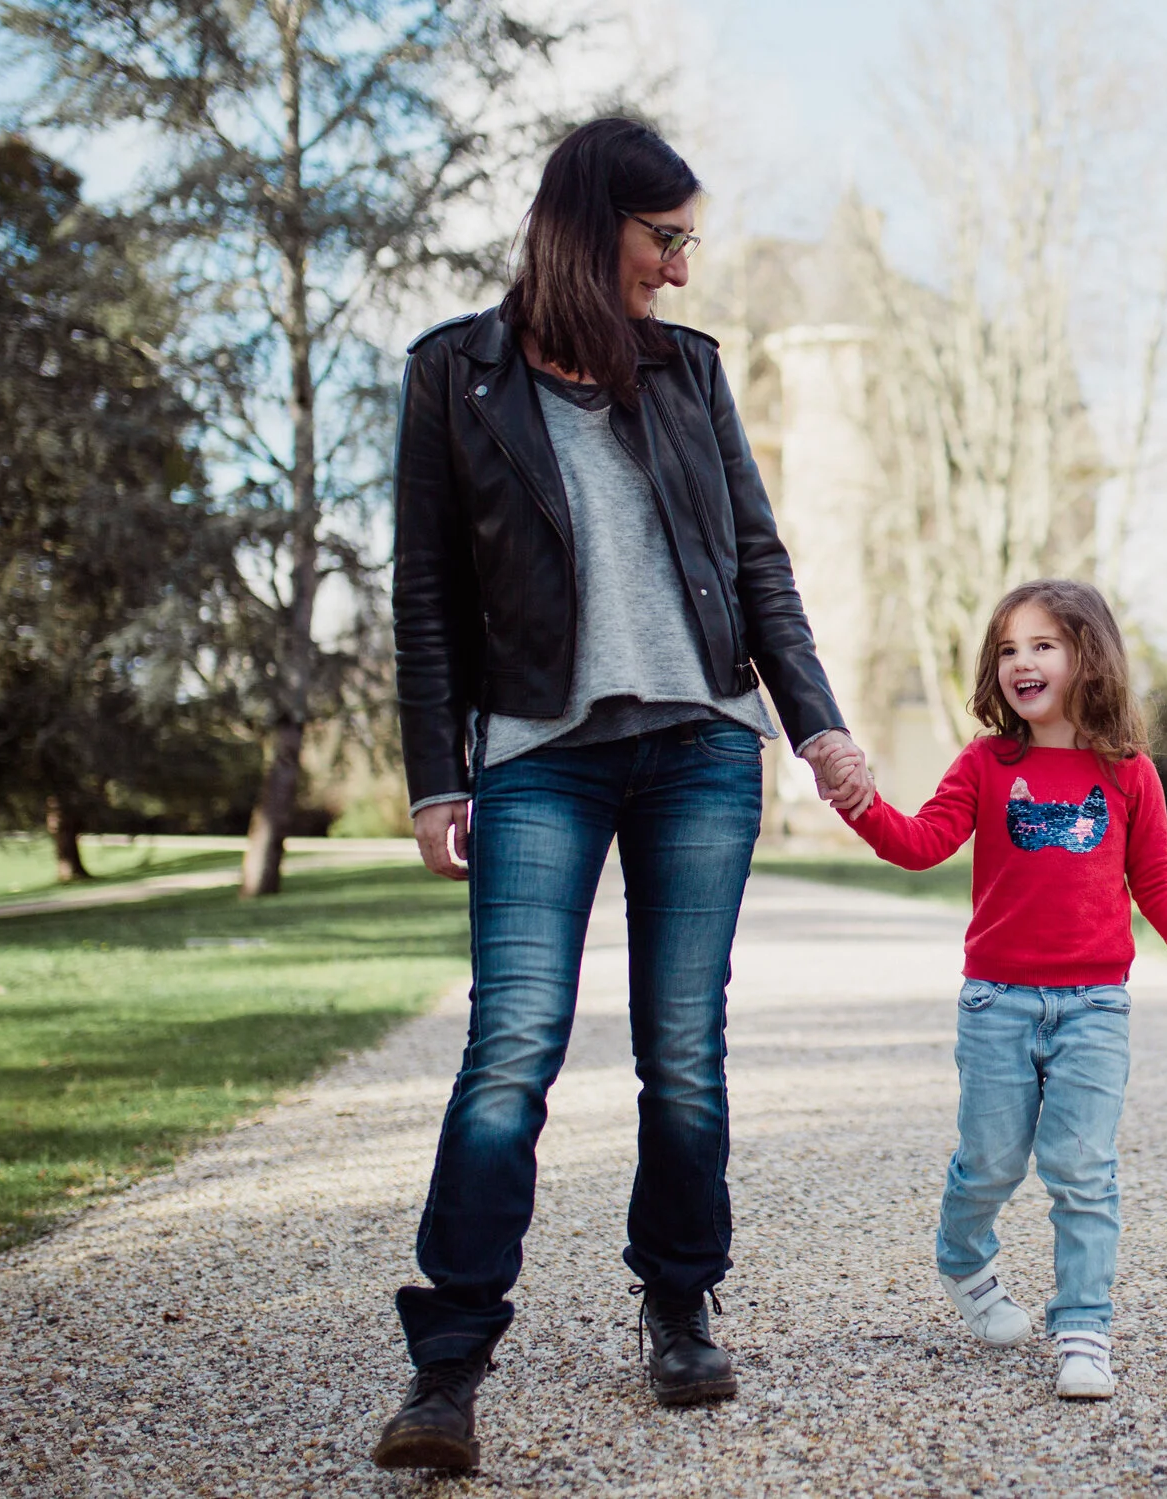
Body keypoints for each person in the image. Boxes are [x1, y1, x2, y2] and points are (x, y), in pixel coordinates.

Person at [373, 116, 873, 1471]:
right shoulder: (454, 376)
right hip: (539, 749)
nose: (684, 271)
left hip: (704, 743)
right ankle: (449, 1356)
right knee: (512, 1046)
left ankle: (678, 1298)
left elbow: (760, 564)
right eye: (668, 241)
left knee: (684, 1045)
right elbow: (423, 592)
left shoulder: (689, 371)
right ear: (597, 228)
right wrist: (435, 776)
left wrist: (817, 724)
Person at [828, 577, 1167, 1401]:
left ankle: (1084, 1327)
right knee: (991, 1164)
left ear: (1089, 656)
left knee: (1083, 1168)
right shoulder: (986, 761)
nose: (1022, 661)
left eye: (1043, 644)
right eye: (1008, 648)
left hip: (1093, 1007)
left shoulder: (1128, 773)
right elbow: (922, 842)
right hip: (997, 1004)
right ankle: (963, 1260)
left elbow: (1156, 874)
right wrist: (865, 805)